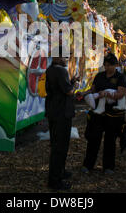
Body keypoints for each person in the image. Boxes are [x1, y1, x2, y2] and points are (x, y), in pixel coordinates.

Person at [78, 53, 126, 174]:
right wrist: (83, 93)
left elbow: (121, 94)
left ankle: (108, 167)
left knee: (110, 140)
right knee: (93, 139)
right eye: (105, 65)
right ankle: (88, 165)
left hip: (113, 114)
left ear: (115, 65)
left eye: (110, 65)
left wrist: (107, 94)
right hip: (97, 113)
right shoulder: (99, 76)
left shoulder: (120, 77)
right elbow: (93, 89)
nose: (107, 67)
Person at [45, 49, 79, 190]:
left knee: (57, 145)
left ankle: (60, 172)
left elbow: (60, 87)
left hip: (53, 112)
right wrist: (75, 85)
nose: (66, 59)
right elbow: (68, 91)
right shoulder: (61, 71)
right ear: (57, 57)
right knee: (60, 148)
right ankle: (55, 180)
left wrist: (71, 81)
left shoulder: (50, 69)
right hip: (62, 114)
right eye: (64, 56)